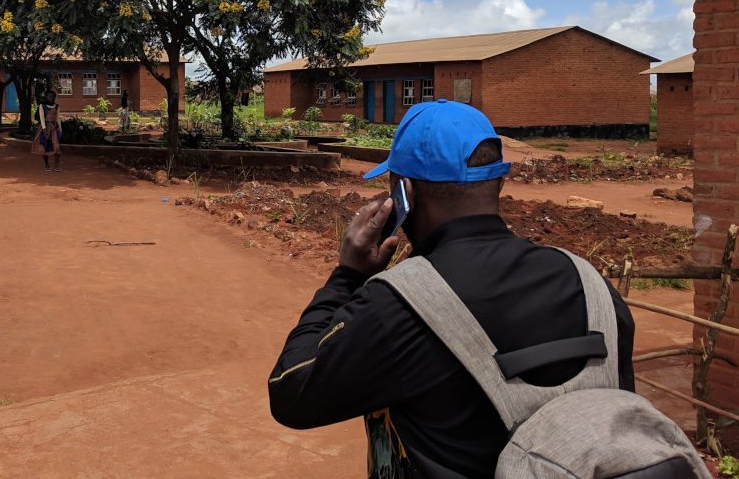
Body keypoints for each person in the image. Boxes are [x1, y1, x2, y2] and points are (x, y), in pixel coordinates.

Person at [267, 99, 635, 478]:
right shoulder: (594, 288)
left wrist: (347, 275)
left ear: (403, 193)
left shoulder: (402, 303)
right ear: (499, 181)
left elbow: (290, 392)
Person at [33, 89, 62, 172]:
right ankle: (47, 165)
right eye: (49, 96)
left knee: (57, 146)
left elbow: (58, 118)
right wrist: (44, 128)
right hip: (45, 128)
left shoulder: (57, 106)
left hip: (54, 128)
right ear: (46, 97)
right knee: (45, 146)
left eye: (53, 96)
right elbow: (42, 118)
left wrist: (60, 129)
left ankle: (57, 165)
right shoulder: (42, 106)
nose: (51, 98)